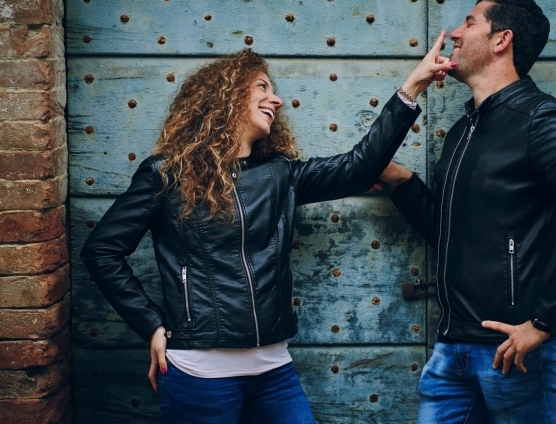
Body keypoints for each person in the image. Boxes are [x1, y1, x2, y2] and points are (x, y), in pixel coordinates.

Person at [80, 39, 454, 424]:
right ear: (225, 95)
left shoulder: (281, 174)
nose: (275, 100)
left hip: (275, 371)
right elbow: (102, 251)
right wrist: (152, 325)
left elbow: (358, 166)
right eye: (262, 87)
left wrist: (411, 89)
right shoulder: (167, 173)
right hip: (199, 374)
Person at [376, 0, 556, 423]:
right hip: (451, 353)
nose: (454, 32)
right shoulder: (461, 132)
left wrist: (544, 324)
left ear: (501, 40)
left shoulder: (541, 119)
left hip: (515, 354)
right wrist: (402, 182)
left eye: (469, 22)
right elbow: (449, 232)